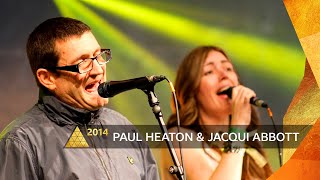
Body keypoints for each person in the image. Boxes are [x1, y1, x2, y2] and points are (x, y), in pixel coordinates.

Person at [0, 17, 159, 180]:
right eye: (83, 63)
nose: (98, 69)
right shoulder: (22, 141)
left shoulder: (123, 126)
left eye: (99, 56)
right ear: (47, 78)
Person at [160, 46, 273, 180]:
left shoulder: (249, 152)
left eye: (228, 69)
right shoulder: (178, 138)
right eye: (209, 72)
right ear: (192, 92)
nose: (224, 75)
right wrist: (238, 128)